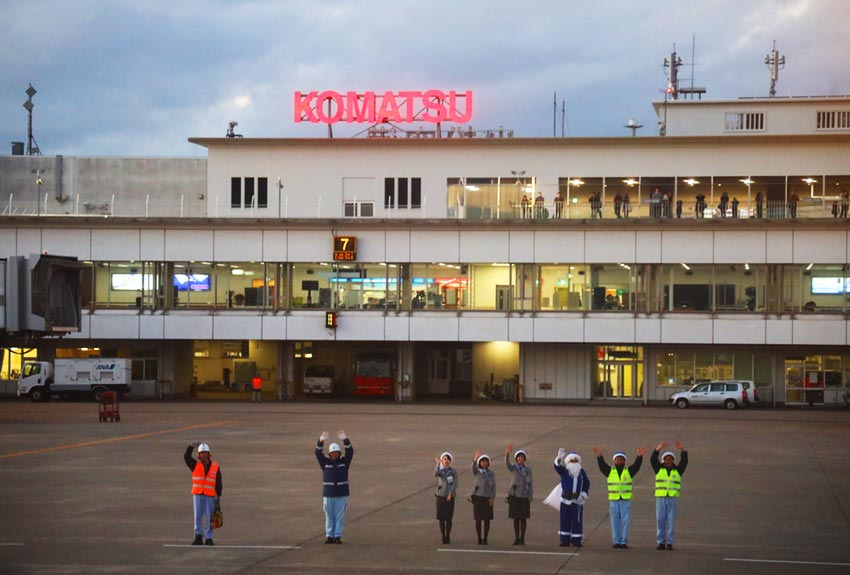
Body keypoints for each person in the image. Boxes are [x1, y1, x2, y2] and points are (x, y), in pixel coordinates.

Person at [592, 446, 646, 549]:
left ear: (625, 461)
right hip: (614, 500)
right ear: (614, 461)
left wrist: (639, 456)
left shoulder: (629, 471)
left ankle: (623, 541)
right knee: (615, 521)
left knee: (625, 521)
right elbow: (602, 466)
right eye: (618, 459)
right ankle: (616, 541)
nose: (620, 461)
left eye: (622, 459)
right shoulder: (609, 471)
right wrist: (599, 456)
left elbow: (636, 466)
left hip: (625, 500)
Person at [316, 430, 353, 544]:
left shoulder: (344, 463)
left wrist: (345, 440)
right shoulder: (325, 463)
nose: (335, 454)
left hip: (341, 494)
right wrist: (321, 441)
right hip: (328, 494)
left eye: (337, 452)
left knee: (339, 516)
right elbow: (317, 453)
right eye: (333, 452)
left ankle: (337, 535)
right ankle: (329, 536)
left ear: (339, 453)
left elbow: (350, 452)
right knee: (329, 516)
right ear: (330, 453)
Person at [651, 440, 688, 550]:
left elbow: (684, 462)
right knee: (660, 520)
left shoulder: (678, 470)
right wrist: (658, 449)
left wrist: (683, 450)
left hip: (672, 498)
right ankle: (661, 542)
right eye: (666, 459)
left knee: (671, 520)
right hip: (661, 497)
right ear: (663, 460)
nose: (668, 461)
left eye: (670, 459)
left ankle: (670, 542)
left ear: (673, 461)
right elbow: (653, 460)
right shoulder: (659, 470)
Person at [184, 441, 222, 546]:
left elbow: (218, 481)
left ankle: (209, 538)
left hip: (210, 495)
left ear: (209, 454)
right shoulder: (194, 464)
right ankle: (198, 536)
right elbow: (186, 457)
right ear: (199, 454)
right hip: (198, 494)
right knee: (197, 516)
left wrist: (218, 495)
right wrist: (190, 447)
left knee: (210, 518)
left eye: (205, 452)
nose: (204, 454)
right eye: (202, 453)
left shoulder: (215, 466)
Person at [554, 449, 589, 547]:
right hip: (565, 500)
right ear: (568, 462)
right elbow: (557, 467)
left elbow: (586, 483)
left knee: (577, 520)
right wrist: (559, 458)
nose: (573, 463)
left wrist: (583, 495)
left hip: (577, 501)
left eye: (575, 461)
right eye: (571, 461)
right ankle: (564, 539)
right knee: (565, 520)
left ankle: (576, 540)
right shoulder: (565, 471)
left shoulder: (581, 472)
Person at [505, 445, 533, 545]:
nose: (520, 459)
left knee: (523, 518)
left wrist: (530, 495)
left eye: (522, 457)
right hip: (515, 495)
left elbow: (530, 483)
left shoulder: (528, 470)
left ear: (524, 459)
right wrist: (507, 455)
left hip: (524, 495)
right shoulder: (514, 468)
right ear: (516, 459)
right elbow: (508, 465)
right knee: (516, 518)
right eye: (518, 457)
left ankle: (522, 538)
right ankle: (517, 538)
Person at [470, 451, 495, 545]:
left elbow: (493, 487)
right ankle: (479, 538)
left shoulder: (491, 474)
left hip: (487, 498)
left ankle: (485, 538)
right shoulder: (477, 472)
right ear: (479, 463)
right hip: (478, 497)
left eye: (486, 461)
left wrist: (492, 497)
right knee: (478, 519)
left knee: (487, 520)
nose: (484, 463)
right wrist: (475, 459)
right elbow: (472, 468)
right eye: (482, 461)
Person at [434, 452, 457, 544]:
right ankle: (443, 536)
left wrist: (450, 493)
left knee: (448, 518)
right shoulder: (440, 470)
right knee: (441, 518)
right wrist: (437, 464)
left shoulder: (453, 471)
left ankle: (448, 536)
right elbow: (435, 474)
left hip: (450, 497)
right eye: (444, 459)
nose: (446, 461)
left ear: (450, 461)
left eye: (447, 459)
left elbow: (455, 483)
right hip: (441, 496)